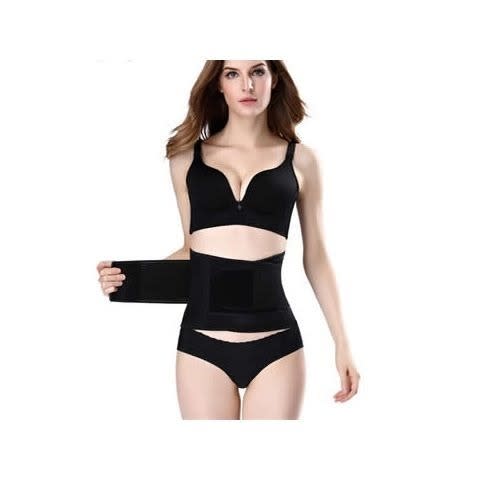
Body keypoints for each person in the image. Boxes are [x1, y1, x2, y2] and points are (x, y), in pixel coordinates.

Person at [96, 60, 360, 419]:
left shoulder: (302, 161)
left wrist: (342, 344)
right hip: (201, 346)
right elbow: (193, 251)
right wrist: (128, 279)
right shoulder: (185, 159)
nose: (247, 85)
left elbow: (316, 257)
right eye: (232, 74)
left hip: (277, 345)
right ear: (218, 83)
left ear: (274, 79)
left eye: (258, 72)